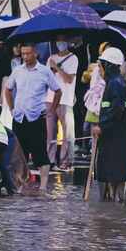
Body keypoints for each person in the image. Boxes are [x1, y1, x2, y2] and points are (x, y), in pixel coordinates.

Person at [5, 43, 62, 191]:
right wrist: (11, 108)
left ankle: (43, 186)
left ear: (35, 53)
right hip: (19, 117)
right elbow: (8, 89)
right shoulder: (17, 71)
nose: (25, 57)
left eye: (28, 53)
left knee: (40, 152)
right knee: (18, 154)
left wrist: (52, 110)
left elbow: (57, 91)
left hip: (36, 116)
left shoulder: (44, 71)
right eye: (23, 54)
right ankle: (20, 185)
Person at [91, 48, 126, 202]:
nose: (99, 70)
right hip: (116, 134)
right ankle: (113, 200)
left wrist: (101, 126)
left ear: (108, 66)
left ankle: (114, 200)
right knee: (114, 170)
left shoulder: (115, 84)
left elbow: (117, 110)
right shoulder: (117, 83)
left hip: (115, 136)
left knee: (113, 169)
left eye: (101, 66)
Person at [46, 35, 79, 171]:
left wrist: (57, 68)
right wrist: (51, 68)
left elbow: (69, 79)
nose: (60, 43)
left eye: (63, 40)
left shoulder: (73, 58)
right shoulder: (50, 57)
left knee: (68, 133)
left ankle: (66, 161)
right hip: (50, 98)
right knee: (50, 133)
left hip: (65, 99)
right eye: (58, 40)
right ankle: (50, 160)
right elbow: (46, 78)